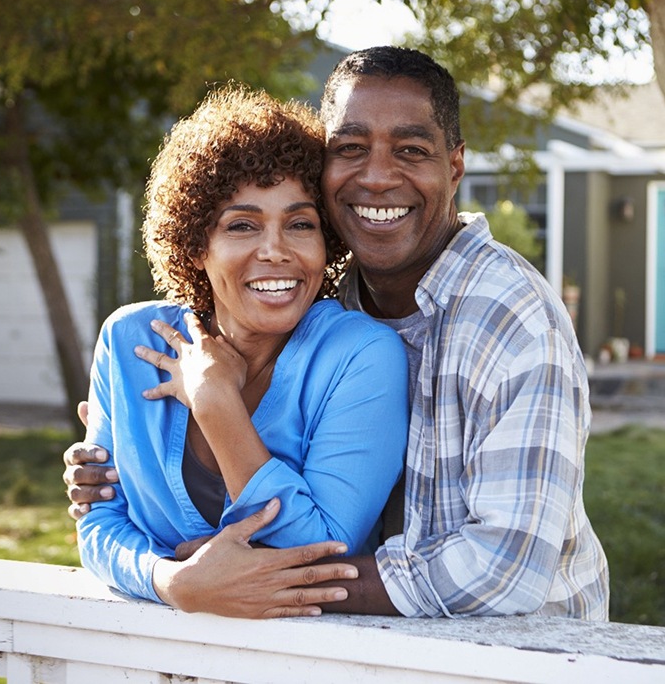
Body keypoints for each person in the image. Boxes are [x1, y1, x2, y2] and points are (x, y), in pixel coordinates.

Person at [65, 46, 609, 621]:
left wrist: (251, 580)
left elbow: (507, 569)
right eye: (349, 149)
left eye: (411, 150)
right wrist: (173, 579)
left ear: (454, 167)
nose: (375, 177)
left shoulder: (511, 320)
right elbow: (103, 517)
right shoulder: (340, 295)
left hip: (527, 655)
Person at [72, 83, 409, 615]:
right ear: (195, 244)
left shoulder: (360, 356)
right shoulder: (130, 342)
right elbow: (97, 522)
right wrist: (173, 580)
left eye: (300, 224)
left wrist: (214, 400)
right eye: (242, 225)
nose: (275, 251)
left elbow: (321, 552)